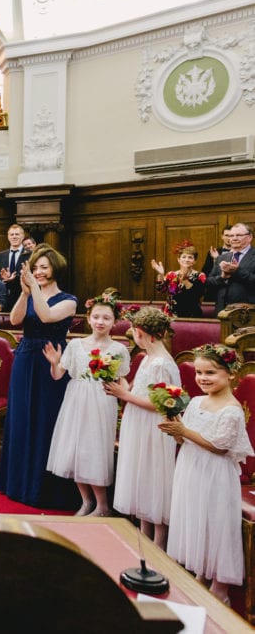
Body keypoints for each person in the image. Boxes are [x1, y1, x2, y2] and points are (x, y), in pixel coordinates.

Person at [159, 344, 254, 603]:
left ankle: (220, 588)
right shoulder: (197, 401)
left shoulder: (231, 410)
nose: (202, 378)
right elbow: (187, 440)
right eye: (199, 372)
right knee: (195, 520)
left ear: (230, 374)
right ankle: (200, 573)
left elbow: (219, 446)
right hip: (192, 468)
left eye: (210, 373)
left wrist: (183, 432)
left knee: (216, 525)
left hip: (215, 475)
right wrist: (176, 430)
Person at [0, 245, 78, 508]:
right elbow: (14, 319)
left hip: (51, 361)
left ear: (56, 268)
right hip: (25, 358)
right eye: (35, 268)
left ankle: (43, 489)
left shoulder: (69, 299)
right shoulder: (31, 292)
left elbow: (46, 315)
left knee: (46, 419)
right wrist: (24, 292)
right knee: (21, 417)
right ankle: (17, 483)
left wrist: (35, 288)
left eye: (44, 267)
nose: (39, 272)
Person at [44, 292, 130, 517]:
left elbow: (122, 380)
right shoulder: (75, 344)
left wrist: (127, 395)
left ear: (114, 322)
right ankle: (86, 502)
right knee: (76, 449)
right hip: (76, 397)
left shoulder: (119, 349)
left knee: (95, 450)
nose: (100, 322)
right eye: (96, 317)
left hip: (102, 400)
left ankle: (102, 506)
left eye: (106, 318)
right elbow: (58, 375)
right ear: (89, 318)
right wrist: (54, 363)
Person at [104, 307, 178, 549]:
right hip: (138, 423)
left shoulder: (162, 364)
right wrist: (123, 383)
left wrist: (124, 394)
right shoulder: (148, 358)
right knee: (142, 477)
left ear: (144, 334)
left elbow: (162, 406)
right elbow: (139, 390)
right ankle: (143, 534)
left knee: (153, 477)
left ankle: (158, 541)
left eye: (135, 332)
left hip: (152, 427)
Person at [207, 222, 255, 312]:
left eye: (239, 235)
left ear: (249, 237)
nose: (234, 238)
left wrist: (238, 271)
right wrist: (222, 277)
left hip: (248, 312)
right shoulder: (221, 258)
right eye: (231, 236)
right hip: (222, 310)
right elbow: (209, 282)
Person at [151, 242, 205, 317]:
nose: (186, 259)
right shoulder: (171, 275)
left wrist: (185, 280)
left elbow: (198, 294)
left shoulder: (200, 276)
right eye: (184, 257)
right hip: (170, 314)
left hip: (191, 315)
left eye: (190, 257)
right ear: (178, 260)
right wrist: (160, 274)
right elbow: (160, 290)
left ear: (194, 261)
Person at [0, 224, 30, 309]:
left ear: (22, 236)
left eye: (17, 234)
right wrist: (3, 278)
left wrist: (15, 278)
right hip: (3, 298)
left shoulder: (30, 255)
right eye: (12, 234)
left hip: (24, 296)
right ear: (8, 237)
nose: (14, 237)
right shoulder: (0, 256)